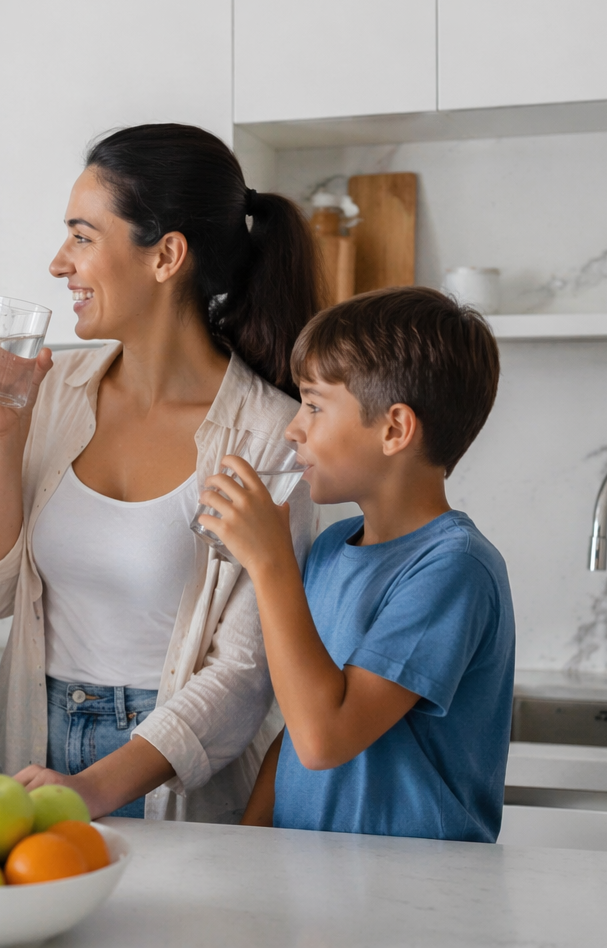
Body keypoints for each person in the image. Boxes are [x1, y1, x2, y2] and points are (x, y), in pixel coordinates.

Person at [0, 123, 321, 822]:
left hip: (174, 769)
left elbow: (244, 674)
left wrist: (95, 787)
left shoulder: (270, 434)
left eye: (83, 236)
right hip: (36, 736)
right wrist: (4, 434)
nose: (60, 262)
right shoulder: (52, 389)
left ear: (166, 256)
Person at [202, 287, 514, 842]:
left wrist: (270, 561)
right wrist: (246, 849)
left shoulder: (454, 569)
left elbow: (325, 739)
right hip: (314, 884)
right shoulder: (333, 547)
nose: (293, 428)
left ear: (395, 429)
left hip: (410, 902)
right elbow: (299, 724)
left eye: (315, 406)